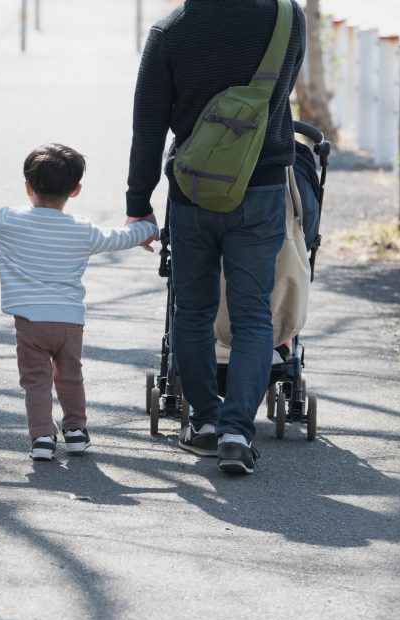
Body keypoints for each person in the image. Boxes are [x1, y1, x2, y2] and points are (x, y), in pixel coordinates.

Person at [126, 0, 306, 474]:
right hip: (262, 185)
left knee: (193, 310)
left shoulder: (171, 30)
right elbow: (283, 88)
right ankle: (235, 434)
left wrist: (137, 202)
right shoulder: (286, 18)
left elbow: (147, 123)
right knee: (251, 314)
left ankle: (204, 422)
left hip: (193, 191)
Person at [0, 144, 159, 460]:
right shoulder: (83, 230)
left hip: (30, 323)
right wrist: (149, 228)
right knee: (70, 376)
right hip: (69, 323)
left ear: (28, 187)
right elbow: (120, 237)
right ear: (75, 190)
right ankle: (76, 432)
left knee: (36, 382)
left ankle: (42, 438)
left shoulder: (5, 220)